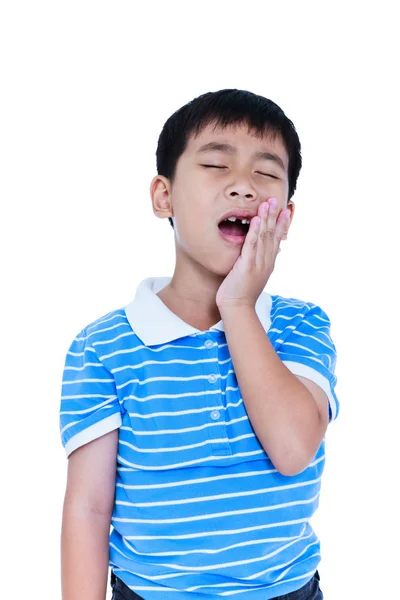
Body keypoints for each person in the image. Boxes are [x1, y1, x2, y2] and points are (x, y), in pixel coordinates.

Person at [60, 89, 339, 600]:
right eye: (216, 165)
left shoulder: (301, 325)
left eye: (266, 172)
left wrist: (238, 307)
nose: (243, 187)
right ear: (163, 196)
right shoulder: (103, 346)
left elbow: (294, 449)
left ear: (287, 217)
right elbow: (88, 508)